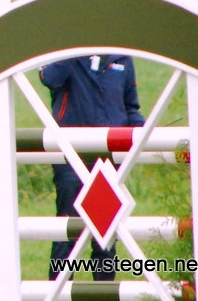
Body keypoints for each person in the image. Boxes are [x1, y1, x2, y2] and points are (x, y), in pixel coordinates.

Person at [40, 54, 144, 281]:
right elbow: (49, 78)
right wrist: (73, 50)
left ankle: (104, 291)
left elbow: (130, 107)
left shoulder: (123, 58)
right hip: (70, 156)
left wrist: (146, 135)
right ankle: (59, 291)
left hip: (108, 158)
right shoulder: (63, 53)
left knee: (105, 235)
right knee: (67, 230)